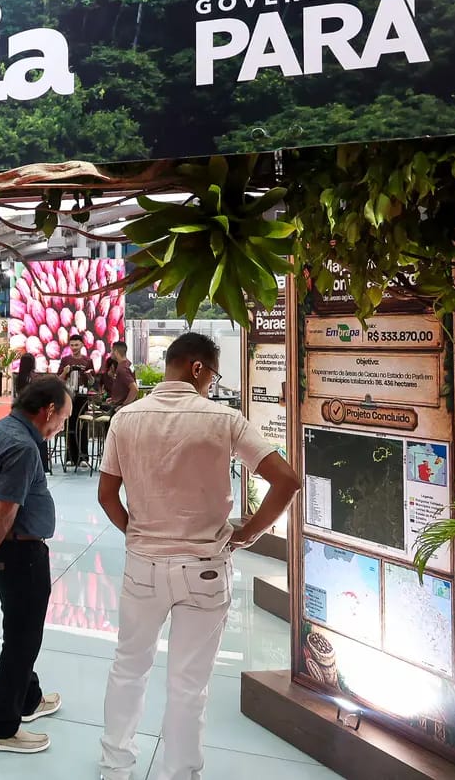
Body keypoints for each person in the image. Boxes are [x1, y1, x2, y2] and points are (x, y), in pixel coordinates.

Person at [96, 332, 299, 780]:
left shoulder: (126, 419)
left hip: (144, 566)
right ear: (198, 369)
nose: (212, 383)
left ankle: (115, 766)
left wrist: (138, 532)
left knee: (129, 666)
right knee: (188, 685)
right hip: (206, 570)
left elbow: (107, 494)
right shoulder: (224, 420)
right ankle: (180, 773)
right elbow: (286, 479)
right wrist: (248, 532)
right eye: (214, 375)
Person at [0, 377, 72, 755]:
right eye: (63, 419)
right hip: (19, 555)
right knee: (22, 640)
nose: (61, 428)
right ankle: (1, 726)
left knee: (19, 627)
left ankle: (29, 699)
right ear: (49, 411)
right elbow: (3, 510)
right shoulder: (23, 446)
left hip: (1, 552)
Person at [56, 335, 94, 466]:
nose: (74, 348)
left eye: (76, 345)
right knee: (69, 426)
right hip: (69, 397)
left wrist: (89, 375)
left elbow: (92, 382)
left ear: (82, 345)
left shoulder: (87, 361)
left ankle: (83, 457)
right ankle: (70, 457)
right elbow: (59, 379)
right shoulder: (65, 360)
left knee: (82, 426)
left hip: (82, 398)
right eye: (72, 345)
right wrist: (65, 372)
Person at [99, 341, 139, 408]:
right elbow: (125, 387)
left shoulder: (122, 369)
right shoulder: (129, 364)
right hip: (122, 404)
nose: (110, 353)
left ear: (116, 352)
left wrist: (123, 406)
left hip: (122, 409)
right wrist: (115, 399)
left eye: (111, 351)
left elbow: (134, 389)